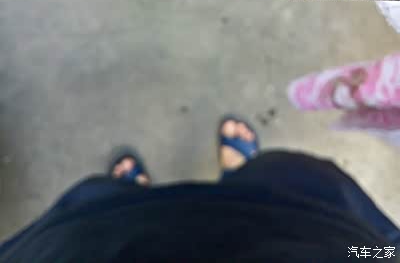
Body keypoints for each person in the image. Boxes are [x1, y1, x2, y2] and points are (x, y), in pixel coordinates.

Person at [1, 115, 399, 262]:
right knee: (292, 180)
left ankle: (133, 196)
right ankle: (243, 177)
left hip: (96, 246)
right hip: (332, 244)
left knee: (102, 206)